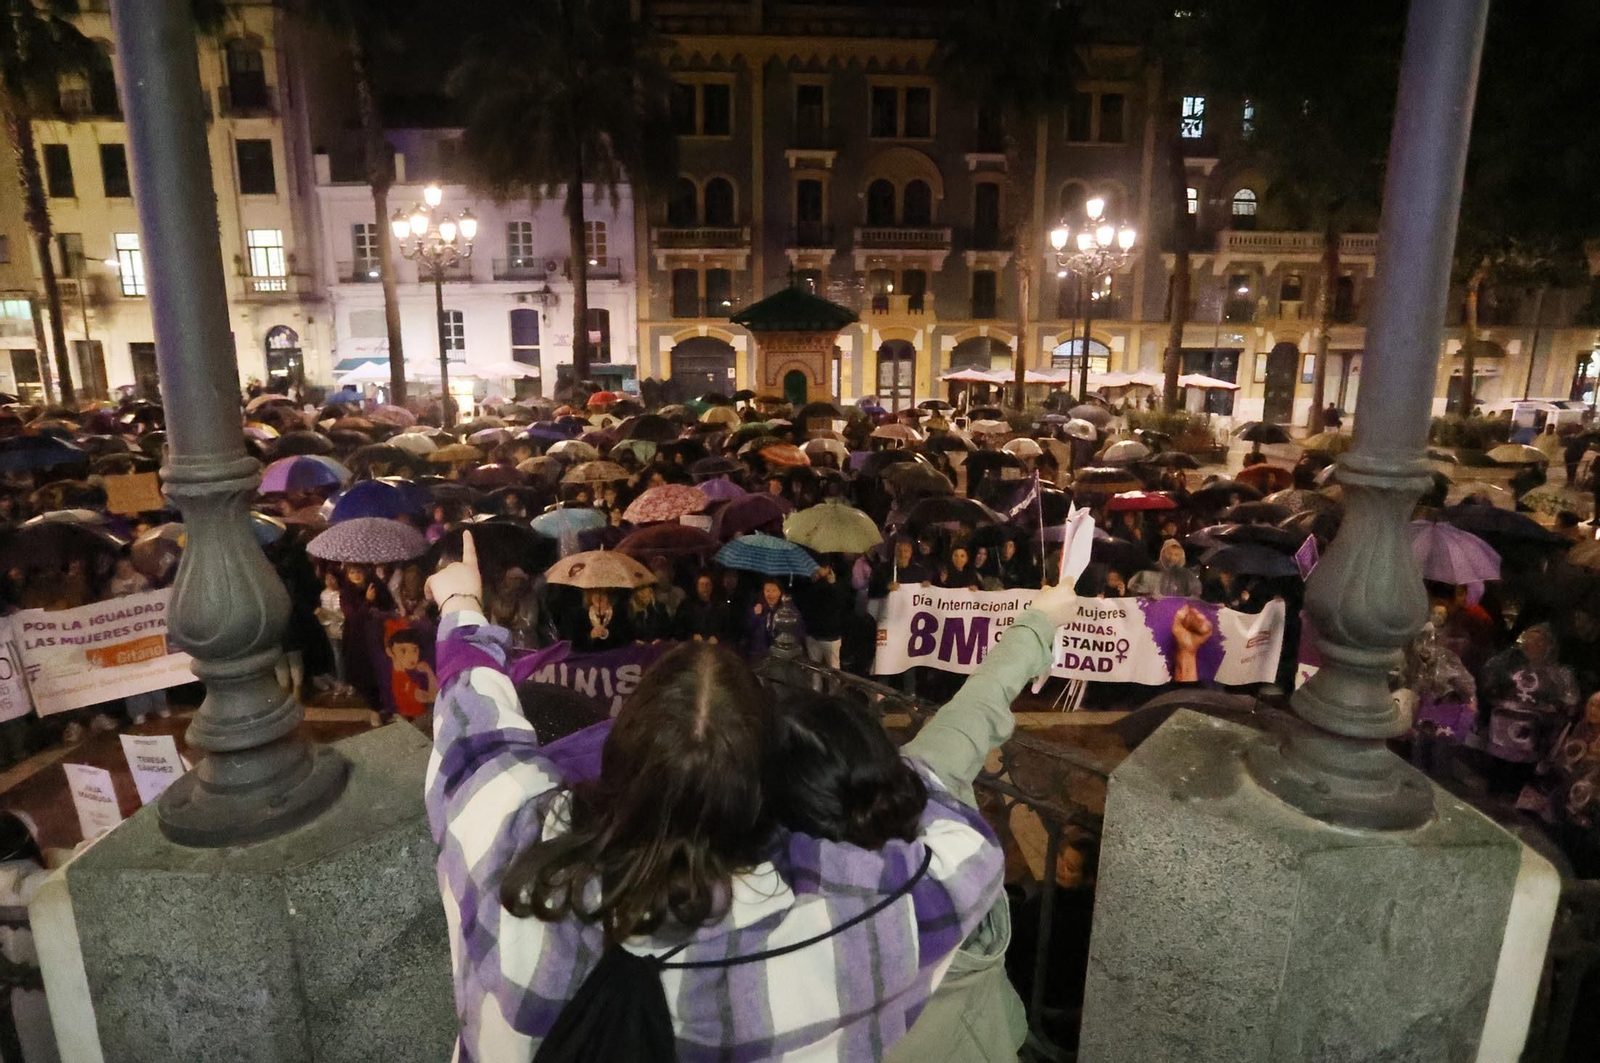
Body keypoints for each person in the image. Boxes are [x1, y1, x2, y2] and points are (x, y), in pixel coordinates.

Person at [422, 530, 1079, 1061]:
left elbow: (470, 711)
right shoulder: (838, 930)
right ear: (766, 786)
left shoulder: (503, 832)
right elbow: (965, 850)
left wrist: (460, 603)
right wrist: (1031, 634)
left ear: (616, 754)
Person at [796, 562, 853, 668]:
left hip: (830, 635)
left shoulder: (837, 584)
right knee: (814, 668)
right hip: (813, 633)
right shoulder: (808, 584)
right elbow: (803, 604)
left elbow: (842, 604)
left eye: (821, 567)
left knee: (833, 669)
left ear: (828, 569)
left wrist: (833, 585)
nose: (817, 570)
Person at [1127, 539, 1202, 598]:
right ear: (1163, 553)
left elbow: (1195, 592)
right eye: (1169, 553)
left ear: (1180, 556)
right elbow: (1135, 587)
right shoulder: (1151, 569)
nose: (1172, 557)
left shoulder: (1186, 575)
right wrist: (1147, 594)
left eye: (1176, 555)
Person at [747, 578, 802, 654]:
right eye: (767, 591)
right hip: (760, 653)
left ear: (780, 592)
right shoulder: (758, 607)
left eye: (774, 591)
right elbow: (748, 629)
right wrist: (756, 616)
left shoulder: (789, 610)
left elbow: (798, 631)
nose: (770, 594)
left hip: (782, 652)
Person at [677, 571, 731, 643]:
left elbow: (728, 629)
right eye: (702, 584)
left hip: (715, 645)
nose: (705, 587)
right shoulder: (686, 605)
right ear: (697, 587)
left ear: (712, 587)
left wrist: (718, 637)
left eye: (708, 584)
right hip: (692, 644)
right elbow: (678, 628)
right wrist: (692, 636)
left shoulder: (720, 606)